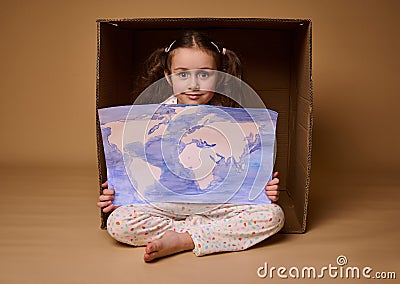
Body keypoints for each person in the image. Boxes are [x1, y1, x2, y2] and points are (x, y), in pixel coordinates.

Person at [97, 30, 284, 262]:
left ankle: (183, 239)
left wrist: (264, 189)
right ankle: (201, 232)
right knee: (119, 223)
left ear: (221, 76)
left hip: (218, 206)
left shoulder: (239, 119)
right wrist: (119, 189)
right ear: (168, 76)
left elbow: (244, 170)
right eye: (182, 74)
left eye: (204, 74)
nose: (193, 84)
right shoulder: (149, 118)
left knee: (272, 216)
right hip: (165, 206)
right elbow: (137, 164)